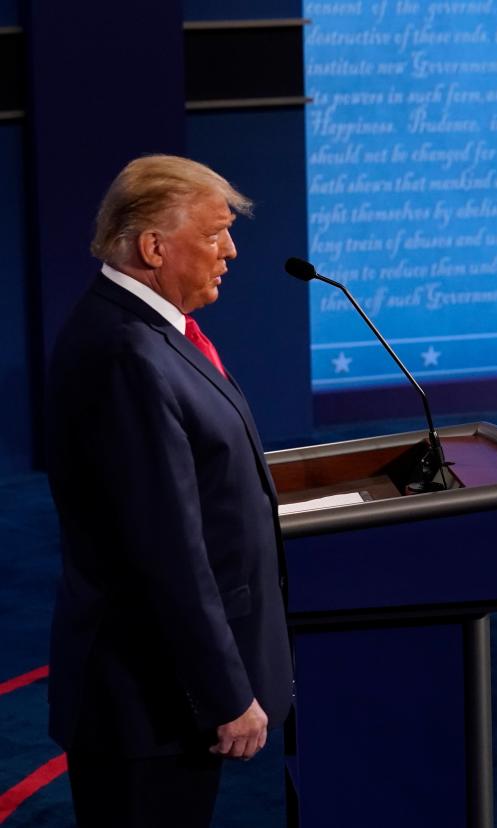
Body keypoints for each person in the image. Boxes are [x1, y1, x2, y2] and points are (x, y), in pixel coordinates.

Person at [45, 155, 293, 826]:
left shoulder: (155, 335)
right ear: (154, 246)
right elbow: (167, 550)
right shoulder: (127, 351)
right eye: (215, 234)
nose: (232, 250)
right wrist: (224, 693)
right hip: (147, 701)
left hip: (160, 694)